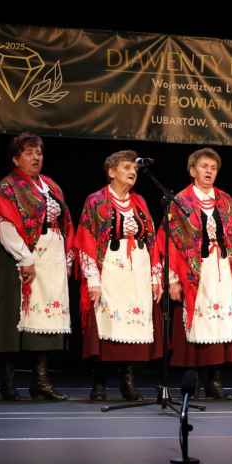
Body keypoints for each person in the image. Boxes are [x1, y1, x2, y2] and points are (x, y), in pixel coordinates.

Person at [0, 132, 73, 401]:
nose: (36, 157)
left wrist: (67, 257)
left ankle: (41, 381)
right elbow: (5, 224)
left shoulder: (51, 186)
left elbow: (66, 222)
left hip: (50, 258)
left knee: (44, 318)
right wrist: (24, 258)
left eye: (39, 152)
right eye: (29, 152)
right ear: (16, 158)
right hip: (20, 258)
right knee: (12, 319)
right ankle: (8, 382)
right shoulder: (8, 187)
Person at [159, 148, 232, 399]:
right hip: (194, 272)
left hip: (222, 270)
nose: (209, 171)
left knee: (220, 323)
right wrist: (172, 280)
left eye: (213, 168)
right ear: (192, 171)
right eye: (203, 166)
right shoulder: (181, 202)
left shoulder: (226, 201)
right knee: (197, 323)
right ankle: (194, 381)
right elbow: (169, 242)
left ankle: (215, 379)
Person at [75, 150, 163, 402]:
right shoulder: (96, 201)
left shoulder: (140, 202)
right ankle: (99, 383)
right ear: (111, 172)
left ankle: (128, 382)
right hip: (110, 271)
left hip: (137, 271)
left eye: (134, 168)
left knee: (133, 327)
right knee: (106, 325)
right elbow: (86, 239)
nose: (132, 171)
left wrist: (155, 277)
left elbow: (152, 241)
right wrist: (92, 279)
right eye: (126, 167)